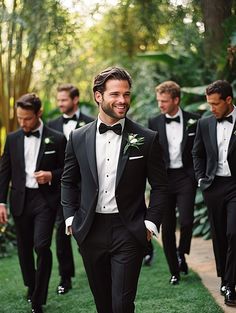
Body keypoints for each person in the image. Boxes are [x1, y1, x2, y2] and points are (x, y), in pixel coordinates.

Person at [61, 67, 168, 313]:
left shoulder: (147, 138)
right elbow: (68, 181)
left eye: (127, 94)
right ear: (99, 96)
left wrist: (150, 223)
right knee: (103, 304)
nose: (122, 100)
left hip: (128, 230)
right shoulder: (77, 137)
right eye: (115, 94)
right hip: (90, 229)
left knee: (121, 304)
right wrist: (71, 219)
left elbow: (161, 187)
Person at [0, 93, 66, 313]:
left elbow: (67, 170)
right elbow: (4, 172)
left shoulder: (57, 138)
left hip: (44, 201)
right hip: (20, 199)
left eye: (27, 118)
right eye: (19, 118)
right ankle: (31, 284)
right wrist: (1, 203)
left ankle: (38, 298)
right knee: (25, 249)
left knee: (41, 245)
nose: (22, 123)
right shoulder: (12, 138)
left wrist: (50, 175)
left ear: (39, 114)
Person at [148, 81, 199, 284]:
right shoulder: (154, 122)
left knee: (186, 221)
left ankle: (181, 252)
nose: (160, 105)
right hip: (164, 180)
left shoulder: (195, 121)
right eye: (158, 101)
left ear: (176, 100)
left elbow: (200, 150)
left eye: (164, 101)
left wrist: (197, 174)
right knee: (167, 228)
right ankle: (174, 271)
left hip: (186, 177)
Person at [192, 80, 236, 306]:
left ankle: (230, 284)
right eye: (209, 104)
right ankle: (225, 278)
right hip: (213, 187)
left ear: (228, 100)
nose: (211, 109)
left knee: (233, 233)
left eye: (215, 104)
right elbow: (196, 153)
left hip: (235, 186)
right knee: (219, 235)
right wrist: (201, 179)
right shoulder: (205, 123)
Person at [48, 84, 94, 295]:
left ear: (75, 100)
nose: (60, 104)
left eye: (63, 100)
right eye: (58, 100)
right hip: (61, 189)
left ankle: (96, 267)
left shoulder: (92, 123)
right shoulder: (51, 126)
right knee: (61, 233)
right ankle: (65, 277)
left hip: (86, 187)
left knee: (89, 229)